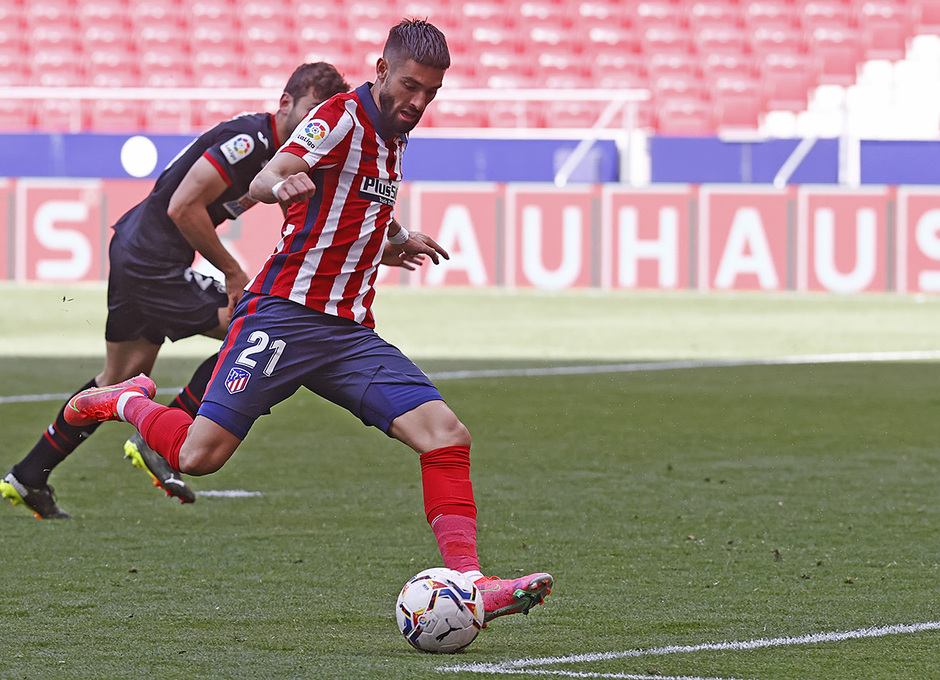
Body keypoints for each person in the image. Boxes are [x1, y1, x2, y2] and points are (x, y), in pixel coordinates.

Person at [65, 19, 553, 623]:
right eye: (410, 86)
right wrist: (277, 182)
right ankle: (125, 399)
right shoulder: (342, 116)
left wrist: (395, 238)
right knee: (197, 457)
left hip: (348, 334)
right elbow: (275, 168)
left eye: (431, 92)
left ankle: (471, 582)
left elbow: (360, 199)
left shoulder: (395, 133)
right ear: (380, 71)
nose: (419, 102)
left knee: (447, 436)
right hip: (283, 317)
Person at [0, 63, 352, 519]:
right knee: (251, 333)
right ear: (285, 103)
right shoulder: (251, 140)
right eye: (307, 111)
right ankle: (159, 441)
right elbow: (182, 206)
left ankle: (29, 476)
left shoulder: (280, 152)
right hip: (152, 260)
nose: (311, 125)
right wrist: (231, 271)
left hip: (138, 252)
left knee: (118, 378)